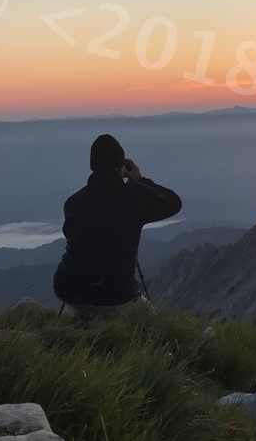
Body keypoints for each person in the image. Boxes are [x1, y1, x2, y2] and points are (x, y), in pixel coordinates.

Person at [53, 134, 182, 322]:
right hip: (115, 294)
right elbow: (174, 202)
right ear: (122, 167)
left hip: (69, 288)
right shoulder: (132, 197)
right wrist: (140, 180)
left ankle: (81, 324)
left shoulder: (73, 203)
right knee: (150, 319)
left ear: (93, 166)